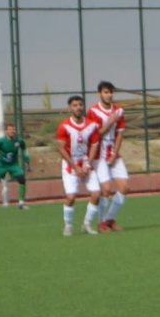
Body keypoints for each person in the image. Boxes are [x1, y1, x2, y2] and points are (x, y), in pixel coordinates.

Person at [57, 96, 102, 235]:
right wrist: (75, 167)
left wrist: (88, 164)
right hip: (71, 166)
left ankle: (87, 224)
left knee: (96, 194)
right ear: (70, 108)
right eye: (75, 105)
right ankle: (68, 225)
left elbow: (94, 145)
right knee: (71, 197)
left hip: (86, 164)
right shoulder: (64, 126)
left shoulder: (92, 125)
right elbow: (61, 149)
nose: (78, 107)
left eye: (80, 105)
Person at [88, 81, 129, 233]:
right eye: (105, 92)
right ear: (99, 93)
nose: (109, 95)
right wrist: (110, 122)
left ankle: (110, 219)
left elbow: (120, 134)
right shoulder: (93, 111)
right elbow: (95, 134)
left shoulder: (119, 111)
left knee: (125, 187)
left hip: (113, 153)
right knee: (106, 189)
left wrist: (114, 154)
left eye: (110, 92)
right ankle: (101, 223)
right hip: (99, 154)